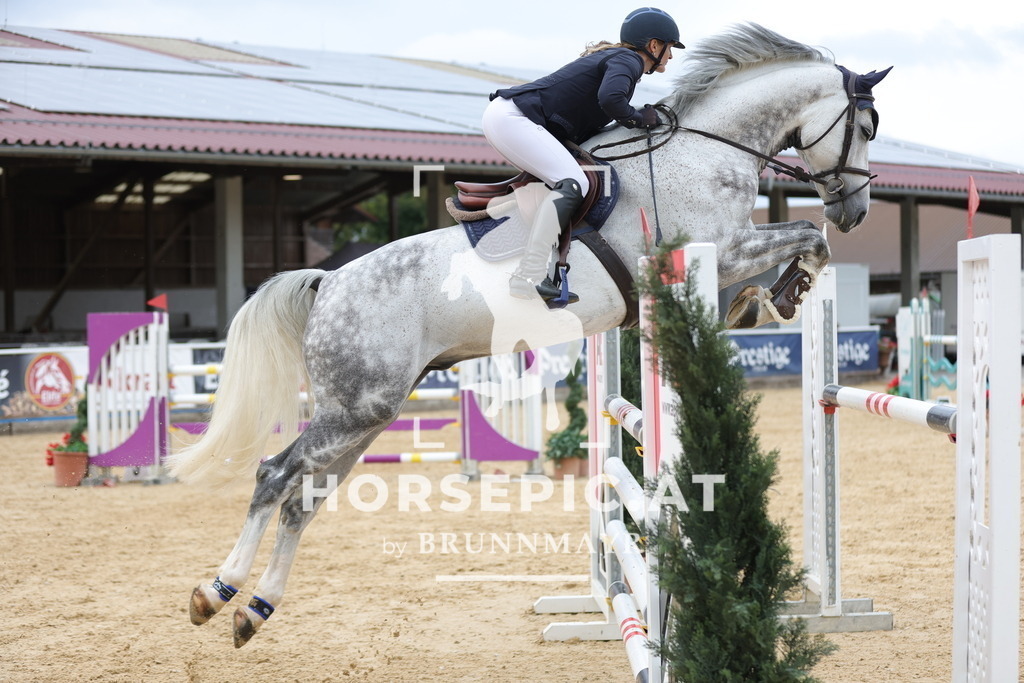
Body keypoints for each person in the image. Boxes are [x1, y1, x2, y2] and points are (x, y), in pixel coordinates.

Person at [482, 7, 684, 304]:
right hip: (513, 119)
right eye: (669, 48)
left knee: (572, 178)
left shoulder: (619, 59)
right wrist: (642, 119)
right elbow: (611, 99)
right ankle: (528, 274)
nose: (670, 56)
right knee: (575, 182)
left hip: (510, 117)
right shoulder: (629, 60)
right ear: (654, 45)